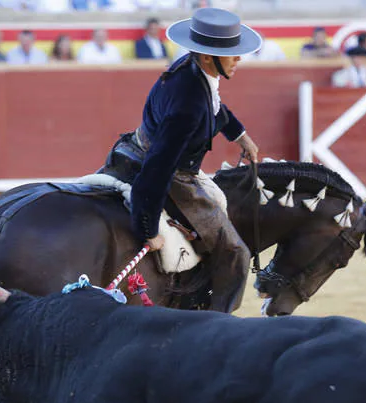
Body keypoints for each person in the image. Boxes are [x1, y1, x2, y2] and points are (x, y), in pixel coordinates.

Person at [98, 7, 261, 313]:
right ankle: (216, 324)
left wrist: (240, 135)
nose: (239, 59)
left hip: (133, 147)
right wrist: (147, 228)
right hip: (171, 173)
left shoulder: (191, 69)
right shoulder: (189, 104)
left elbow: (216, 107)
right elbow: (158, 168)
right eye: (232, 53)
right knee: (237, 253)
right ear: (208, 57)